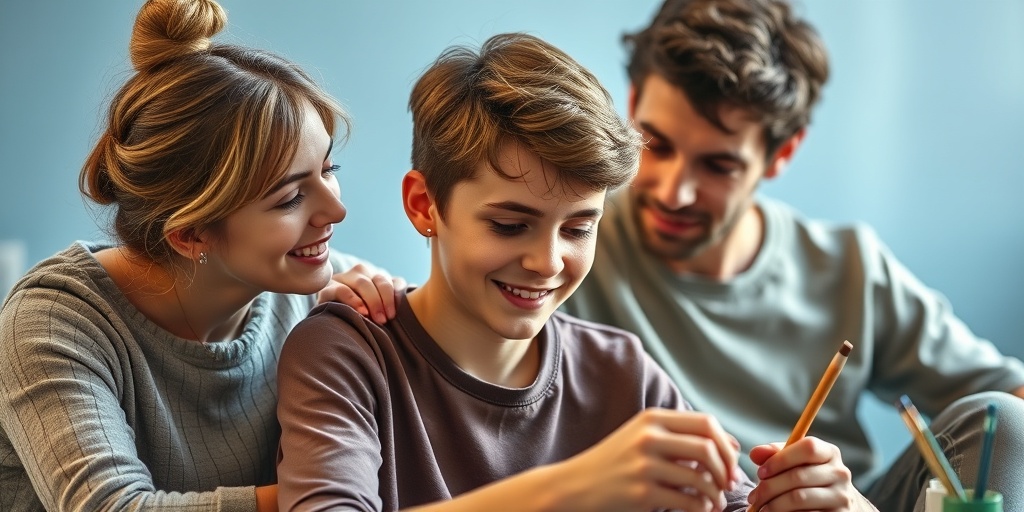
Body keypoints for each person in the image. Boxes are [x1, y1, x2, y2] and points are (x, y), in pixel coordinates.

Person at [276, 31, 872, 512]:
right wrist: (574, 489)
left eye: (579, 228)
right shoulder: (346, 354)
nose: (548, 262)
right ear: (424, 206)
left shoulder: (623, 371)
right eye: (510, 225)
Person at [555, 0, 1024, 510]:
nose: (674, 192)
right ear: (632, 103)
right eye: (657, 144)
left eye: (718, 166)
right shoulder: (567, 238)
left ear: (782, 153)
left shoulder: (847, 267)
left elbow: (1011, 403)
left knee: (1005, 425)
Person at [0, 0, 397, 510]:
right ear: (189, 235)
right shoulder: (54, 324)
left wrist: (378, 319)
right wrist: (328, 491)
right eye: (291, 198)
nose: (336, 210)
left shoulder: (320, 286)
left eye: (329, 167)